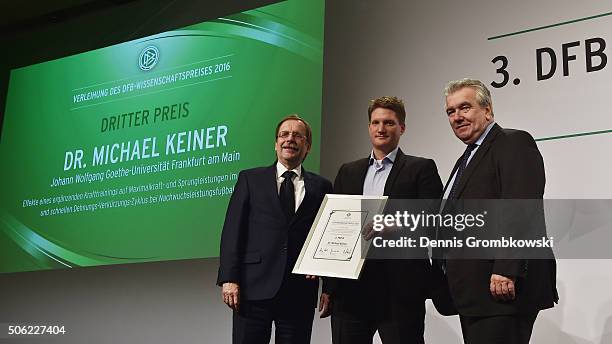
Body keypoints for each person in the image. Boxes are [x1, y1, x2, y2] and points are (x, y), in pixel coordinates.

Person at [435, 78, 558, 344]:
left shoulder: (513, 143)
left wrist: (506, 267)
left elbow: (521, 208)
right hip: (475, 294)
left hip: (501, 289)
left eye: (465, 108)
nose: (457, 117)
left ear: (488, 110)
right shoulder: (467, 158)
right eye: (450, 111)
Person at [321, 96, 443, 344]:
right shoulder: (348, 171)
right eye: (375, 122)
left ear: (402, 128)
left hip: (400, 292)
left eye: (389, 123)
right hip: (351, 292)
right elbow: (334, 229)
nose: (381, 128)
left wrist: (397, 225)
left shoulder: (421, 168)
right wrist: (329, 287)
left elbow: (434, 219)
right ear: (368, 127)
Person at [217, 114, 333, 344]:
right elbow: (232, 231)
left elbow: (328, 236)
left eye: (297, 135)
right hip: (252, 289)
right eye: (284, 134)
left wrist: (329, 287)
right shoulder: (250, 179)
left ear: (307, 146)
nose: (290, 139)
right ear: (276, 143)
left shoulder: (322, 186)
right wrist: (229, 278)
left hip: (299, 292)